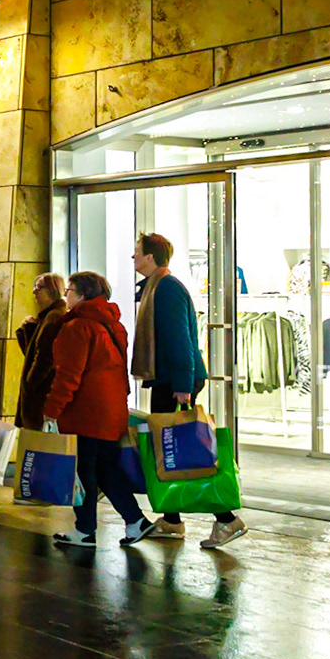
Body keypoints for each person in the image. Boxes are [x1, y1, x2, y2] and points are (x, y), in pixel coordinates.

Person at [133, 233, 244, 547]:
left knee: (186, 451)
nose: (134, 259)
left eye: (137, 253)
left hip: (176, 381)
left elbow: (181, 341)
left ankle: (226, 519)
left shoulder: (166, 288)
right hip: (169, 379)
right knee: (169, 450)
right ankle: (171, 519)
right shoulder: (157, 286)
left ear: (151, 258)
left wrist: (182, 388)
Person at [44, 272, 158, 548]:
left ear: (82, 295)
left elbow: (69, 374)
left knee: (84, 472)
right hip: (111, 410)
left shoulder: (77, 327)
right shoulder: (112, 324)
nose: (65, 295)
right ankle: (135, 521)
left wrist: (51, 408)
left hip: (86, 413)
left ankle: (84, 530)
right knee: (107, 468)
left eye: (69, 290)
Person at [15, 273, 69, 430]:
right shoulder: (47, 317)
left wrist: (30, 384)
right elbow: (32, 352)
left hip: (40, 396)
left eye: (39, 288)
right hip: (38, 393)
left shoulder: (54, 318)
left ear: (53, 289)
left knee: (37, 444)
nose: (34, 292)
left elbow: (45, 358)